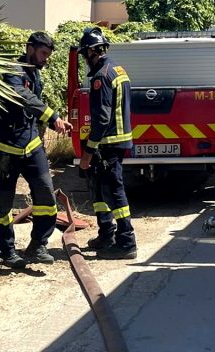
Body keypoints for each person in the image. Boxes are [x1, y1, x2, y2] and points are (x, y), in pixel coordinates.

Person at [0, 31, 73, 269]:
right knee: (3, 205)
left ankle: (38, 244)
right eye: (43, 53)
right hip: (3, 150)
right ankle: (8, 251)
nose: (46, 59)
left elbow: (33, 106)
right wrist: (52, 116)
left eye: (48, 55)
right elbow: (23, 97)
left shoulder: (35, 75)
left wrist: (55, 121)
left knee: (46, 193)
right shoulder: (11, 70)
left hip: (31, 145)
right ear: (30, 48)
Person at [78, 27, 137, 260]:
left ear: (93, 52)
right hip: (118, 141)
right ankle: (106, 235)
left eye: (85, 54)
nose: (85, 59)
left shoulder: (101, 76)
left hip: (108, 144)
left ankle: (126, 242)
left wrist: (89, 150)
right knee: (101, 188)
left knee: (114, 191)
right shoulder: (118, 70)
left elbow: (102, 119)